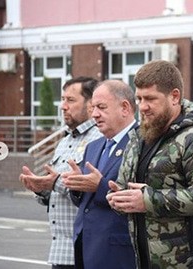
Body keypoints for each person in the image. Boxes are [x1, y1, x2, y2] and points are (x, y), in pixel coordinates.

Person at [106, 60, 193, 269]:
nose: (143, 107)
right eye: (139, 98)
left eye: (151, 99)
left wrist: (148, 200)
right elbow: (130, 190)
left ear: (174, 96)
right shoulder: (138, 138)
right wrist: (120, 198)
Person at [19, 77, 101, 269]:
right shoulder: (65, 141)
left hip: (86, 251)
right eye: (62, 99)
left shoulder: (100, 137)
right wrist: (41, 189)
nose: (63, 106)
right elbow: (57, 193)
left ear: (91, 105)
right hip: (61, 251)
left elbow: (94, 187)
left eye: (70, 100)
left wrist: (55, 182)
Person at [61, 80, 138, 269]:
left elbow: (142, 195)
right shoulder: (93, 147)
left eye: (102, 107)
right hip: (86, 246)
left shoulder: (143, 143)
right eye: (93, 107)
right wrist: (76, 186)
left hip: (118, 252)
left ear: (125, 108)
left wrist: (100, 186)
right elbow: (86, 203)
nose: (94, 114)